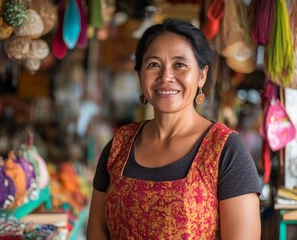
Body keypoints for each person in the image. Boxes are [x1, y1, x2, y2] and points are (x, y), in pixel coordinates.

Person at [87, 18, 261, 239]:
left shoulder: (225, 150)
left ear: (201, 75)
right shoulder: (119, 145)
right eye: (153, 64)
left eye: (180, 64)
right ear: (140, 76)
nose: (166, 76)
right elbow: (96, 230)